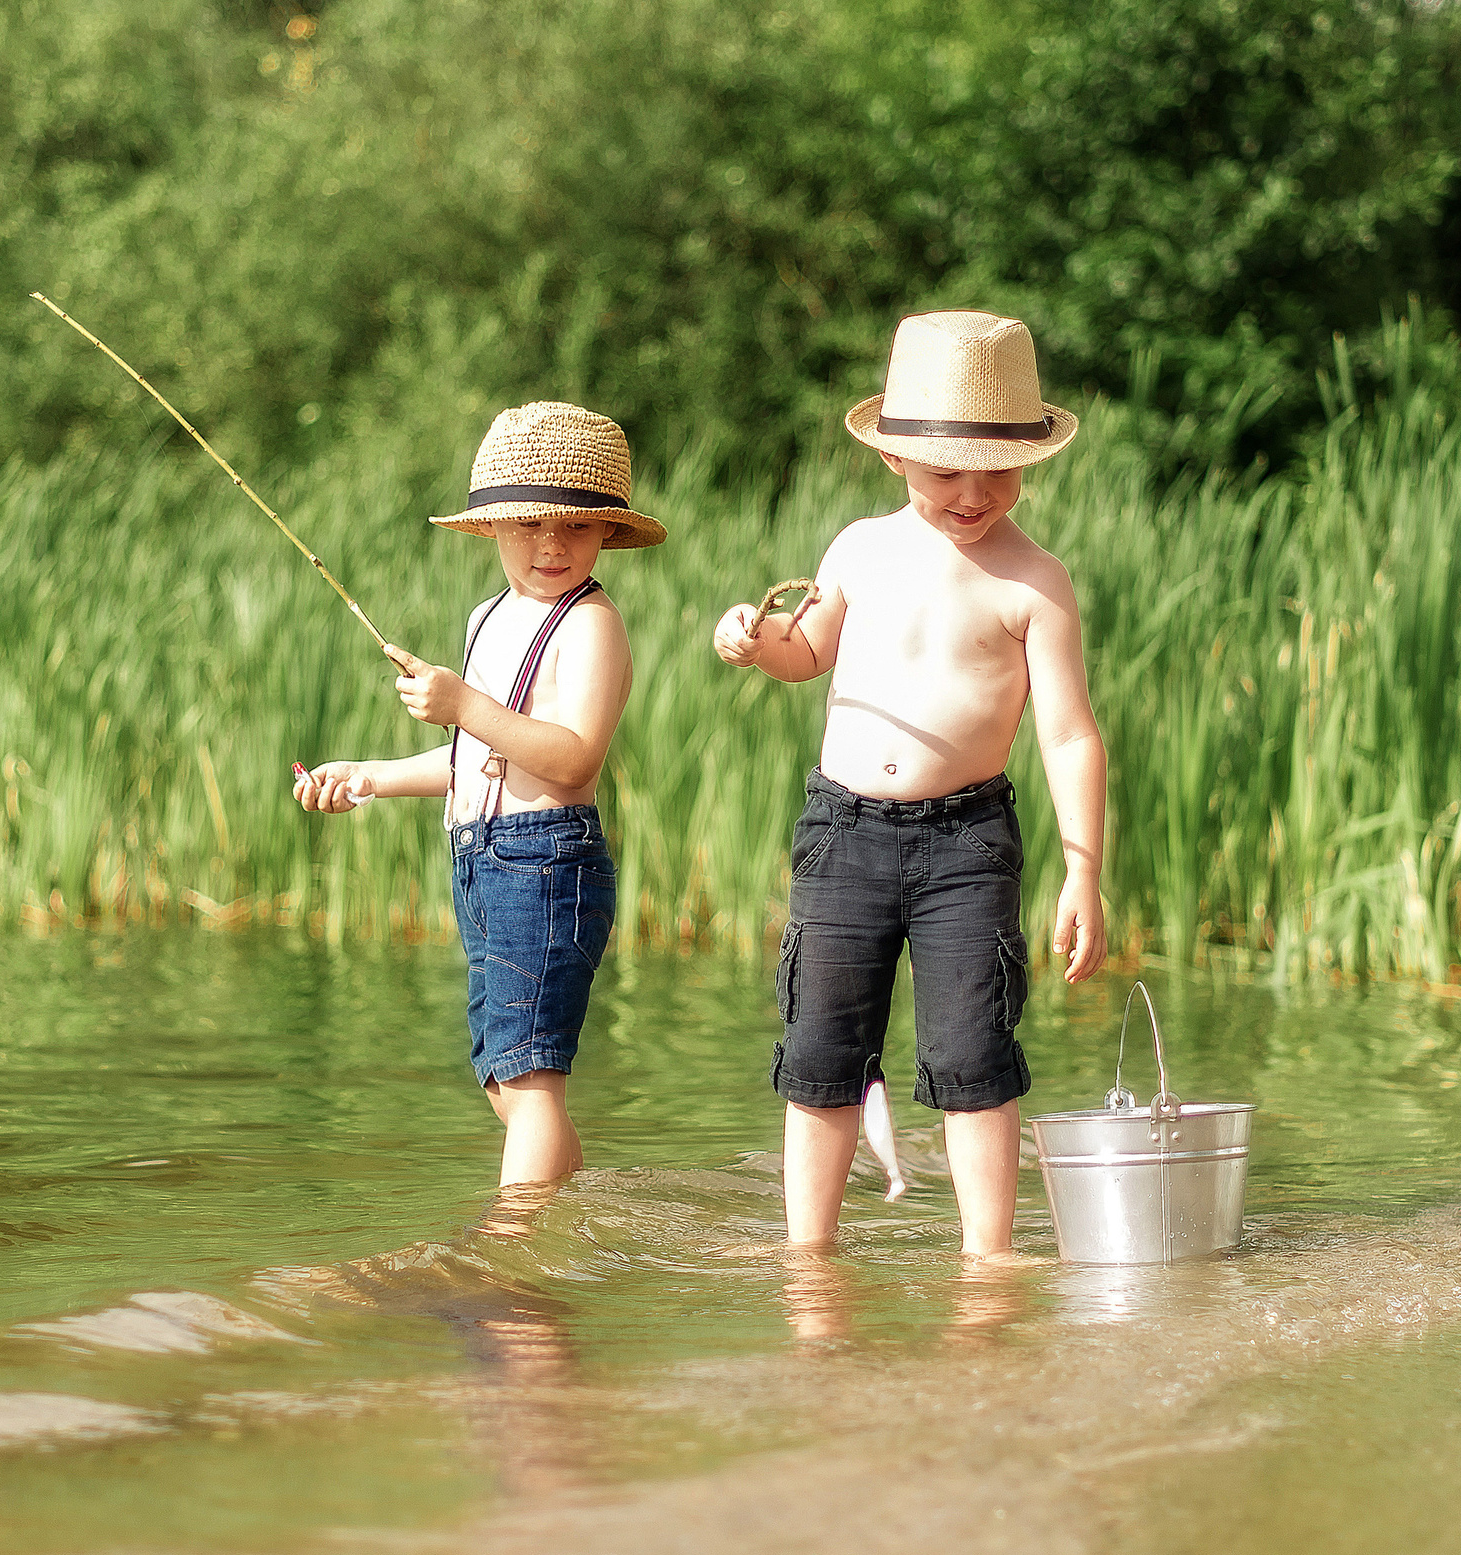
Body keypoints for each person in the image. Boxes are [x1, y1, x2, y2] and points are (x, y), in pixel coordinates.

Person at [712, 310, 1108, 1255]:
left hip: (967, 845)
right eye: (945, 472)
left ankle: (989, 1257)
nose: (973, 494)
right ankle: (808, 1253)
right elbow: (808, 649)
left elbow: (1066, 731)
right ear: (895, 459)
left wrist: (1084, 869)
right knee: (821, 1050)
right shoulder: (857, 548)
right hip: (843, 833)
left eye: (997, 471)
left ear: (1032, 462)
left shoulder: (1035, 583)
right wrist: (756, 643)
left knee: (973, 1050)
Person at [295, 402, 663, 1188]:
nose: (551, 545)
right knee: (504, 1080)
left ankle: (515, 1256)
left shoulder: (591, 625)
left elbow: (570, 758)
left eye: (576, 527)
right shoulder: (486, 617)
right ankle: (572, 1211)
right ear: (492, 528)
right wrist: (368, 776)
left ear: (608, 535)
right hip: (482, 865)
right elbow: (478, 758)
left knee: (532, 1079)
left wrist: (465, 703)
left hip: (547, 865)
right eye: (528, 525)